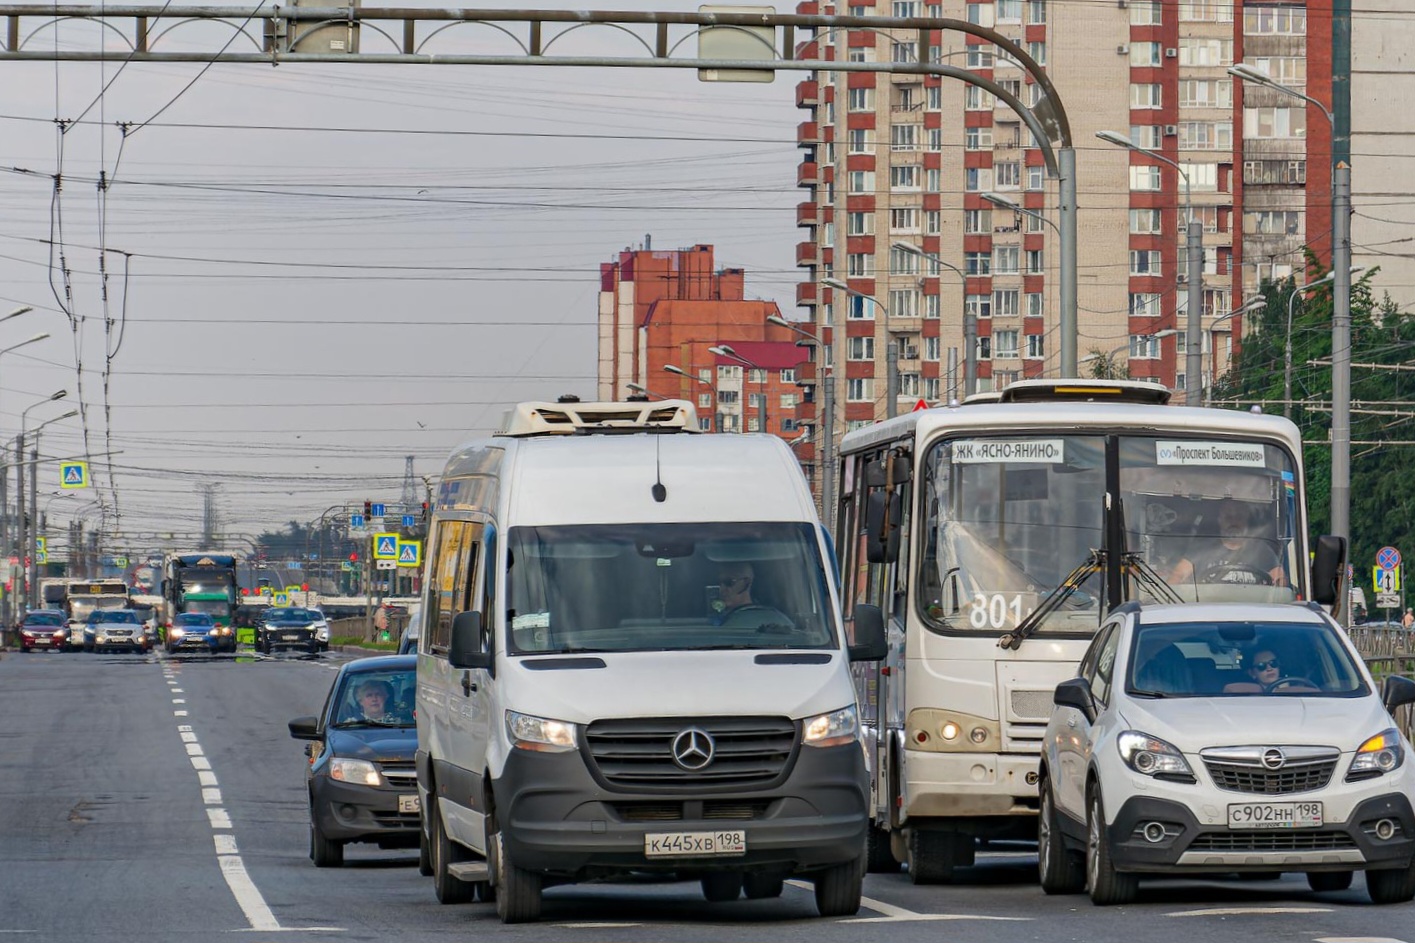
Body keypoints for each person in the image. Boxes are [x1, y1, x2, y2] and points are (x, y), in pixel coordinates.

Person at [1168, 499, 1284, 587]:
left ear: (1246, 520)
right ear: (1219, 520)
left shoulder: (1261, 551)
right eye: (1228, 516)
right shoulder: (1202, 548)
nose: (1233, 522)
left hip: (1250, 611)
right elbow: (1179, 574)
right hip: (1207, 611)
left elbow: (1280, 579)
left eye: (1239, 517)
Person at [712, 562, 793, 630]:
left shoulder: (777, 621)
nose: (721, 589)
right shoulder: (711, 621)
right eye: (719, 583)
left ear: (746, 583)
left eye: (729, 582)